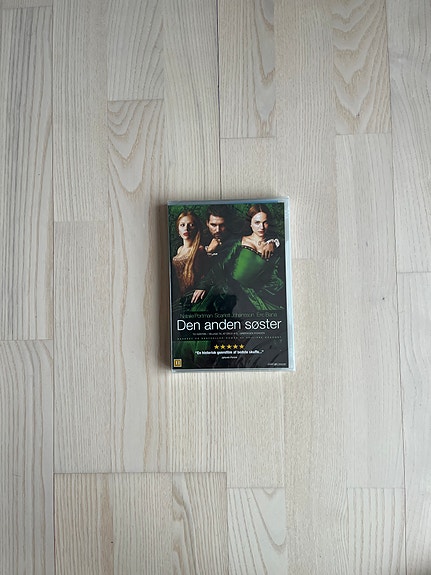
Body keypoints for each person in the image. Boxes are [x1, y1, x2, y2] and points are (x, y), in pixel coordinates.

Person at [214, 204, 285, 313]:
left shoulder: (274, 245)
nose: (261, 227)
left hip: (255, 294)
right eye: (257, 222)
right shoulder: (239, 241)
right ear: (250, 223)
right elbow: (222, 265)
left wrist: (273, 242)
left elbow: (276, 274)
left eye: (265, 222)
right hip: (231, 288)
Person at [171, 211, 207, 308]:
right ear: (178, 230)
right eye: (182, 225)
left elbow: (204, 274)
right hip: (178, 295)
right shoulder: (180, 249)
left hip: (192, 297)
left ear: (196, 228)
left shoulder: (199, 250)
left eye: (191, 225)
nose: (186, 228)